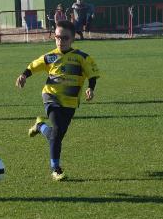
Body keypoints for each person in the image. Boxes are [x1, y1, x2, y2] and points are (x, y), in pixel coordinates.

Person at [15, 20, 101, 181]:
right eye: (57, 37)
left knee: (57, 135)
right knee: (57, 131)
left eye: (65, 38)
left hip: (70, 102)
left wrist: (91, 88)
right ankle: (56, 169)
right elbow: (34, 65)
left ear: (73, 38)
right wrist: (23, 75)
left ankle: (40, 126)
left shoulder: (82, 57)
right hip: (51, 96)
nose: (60, 41)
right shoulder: (51, 56)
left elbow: (92, 74)